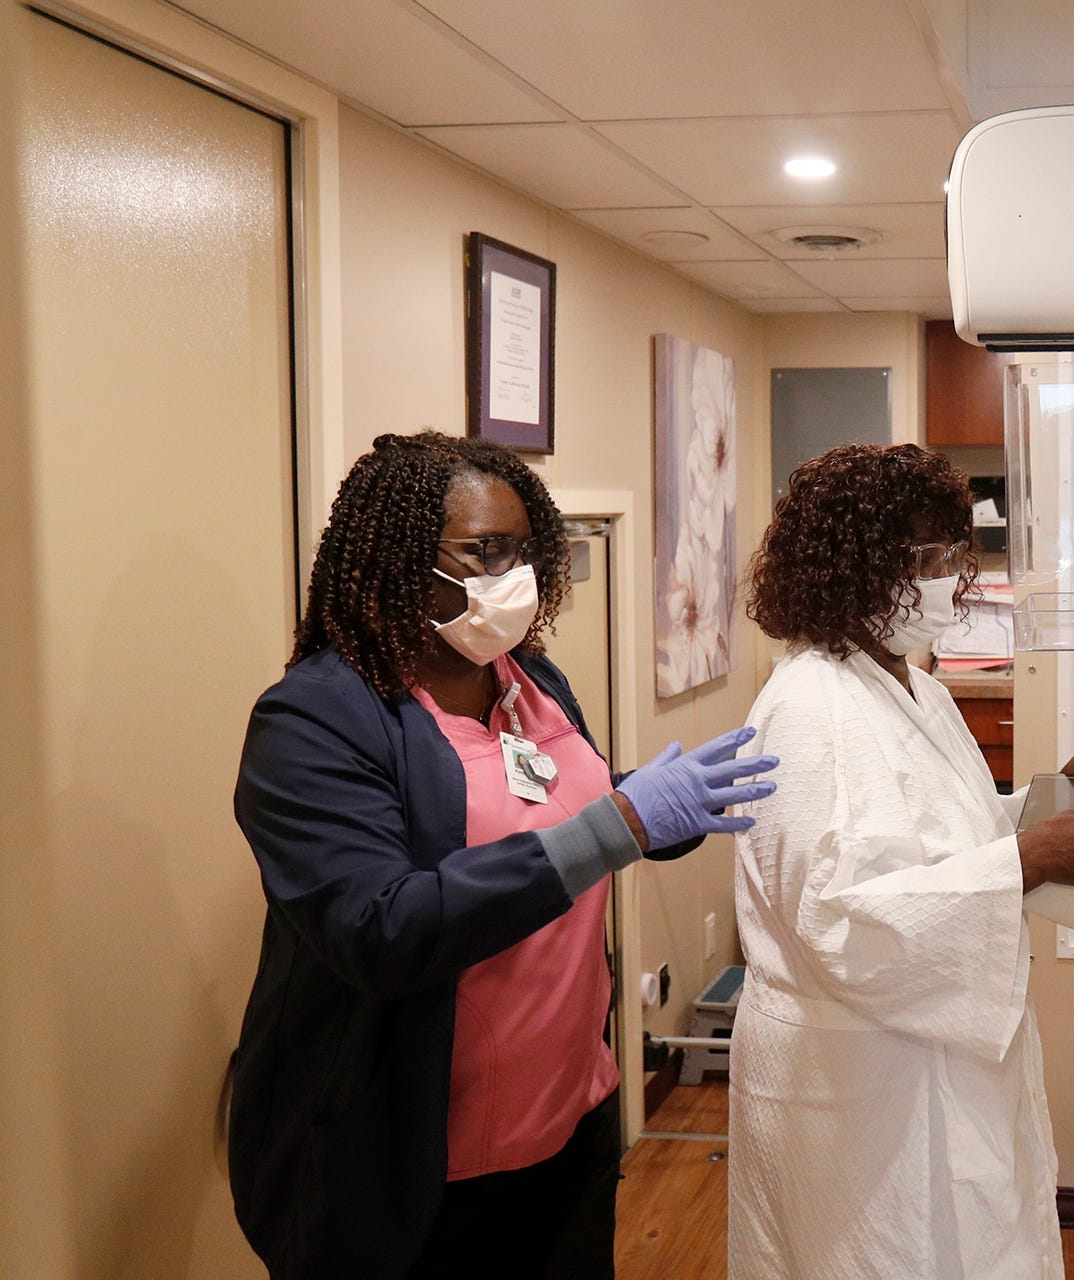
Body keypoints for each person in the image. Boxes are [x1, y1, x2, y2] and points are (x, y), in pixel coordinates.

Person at [227, 431, 778, 1279]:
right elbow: (380, 929)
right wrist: (620, 822)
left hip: (568, 1122)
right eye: (484, 552)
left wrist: (653, 804)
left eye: (524, 550)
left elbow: (547, 810)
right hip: (413, 1166)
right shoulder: (315, 720)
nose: (512, 574)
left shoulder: (529, 680)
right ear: (396, 558)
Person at [729, 443, 1074, 1279]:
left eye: (954, 552)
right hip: (856, 1085)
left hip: (915, 1056)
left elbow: (942, 834)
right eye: (927, 558)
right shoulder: (811, 709)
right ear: (855, 568)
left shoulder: (910, 685)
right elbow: (838, 920)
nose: (948, 577)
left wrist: (1059, 799)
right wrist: (1029, 859)